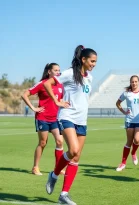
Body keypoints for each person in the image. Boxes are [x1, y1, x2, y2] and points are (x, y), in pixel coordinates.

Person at [44, 45, 97, 205]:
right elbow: (48, 84)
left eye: (96, 62)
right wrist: (57, 101)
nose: (94, 64)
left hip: (82, 120)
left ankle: (64, 195)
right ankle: (54, 175)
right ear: (83, 59)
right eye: (92, 61)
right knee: (73, 150)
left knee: (76, 156)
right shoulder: (69, 73)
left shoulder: (90, 77)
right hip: (67, 117)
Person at [21, 63, 64, 176]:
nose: (58, 72)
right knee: (43, 142)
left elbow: (61, 100)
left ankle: (58, 168)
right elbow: (25, 95)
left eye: (59, 70)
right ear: (49, 71)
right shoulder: (42, 84)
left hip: (55, 119)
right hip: (43, 118)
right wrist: (33, 108)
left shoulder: (60, 85)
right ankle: (35, 167)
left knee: (60, 141)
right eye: (56, 70)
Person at [115, 75, 139, 171]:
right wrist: (124, 112)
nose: (134, 83)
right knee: (129, 142)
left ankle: (133, 153)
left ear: (138, 82)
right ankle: (123, 163)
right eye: (132, 82)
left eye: (135, 81)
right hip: (129, 120)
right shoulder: (126, 93)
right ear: (130, 83)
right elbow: (118, 103)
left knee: (137, 140)